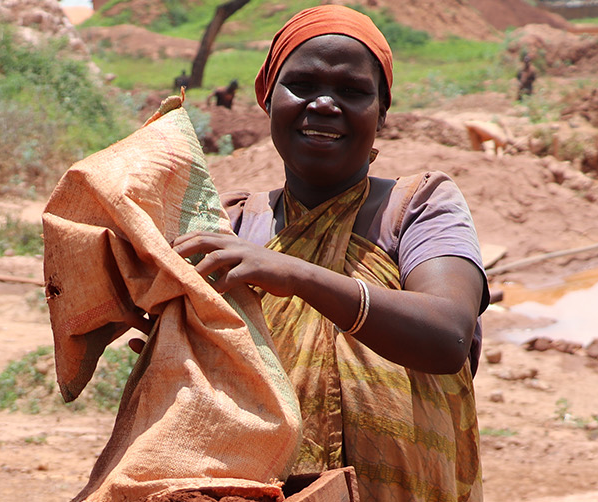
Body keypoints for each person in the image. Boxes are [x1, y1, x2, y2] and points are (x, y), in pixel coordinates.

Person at [170, 6, 487, 501]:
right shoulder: (230, 226)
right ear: (267, 99)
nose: (324, 104)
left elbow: (447, 334)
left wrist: (294, 274)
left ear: (382, 111)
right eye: (302, 84)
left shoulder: (420, 205)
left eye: (352, 91)